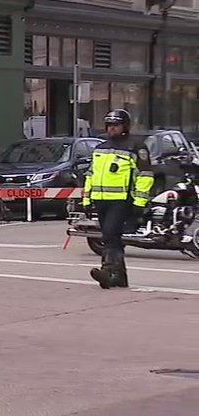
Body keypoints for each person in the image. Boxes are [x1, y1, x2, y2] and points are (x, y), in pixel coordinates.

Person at [82, 109, 154, 288]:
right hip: (100, 199)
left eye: (116, 125)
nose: (112, 128)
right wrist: (86, 199)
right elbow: (91, 174)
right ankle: (119, 277)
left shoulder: (136, 147)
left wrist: (139, 202)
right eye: (109, 125)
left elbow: (145, 176)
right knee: (109, 236)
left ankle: (108, 271)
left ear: (125, 126)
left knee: (111, 234)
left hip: (121, 200)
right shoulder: (100, 148)